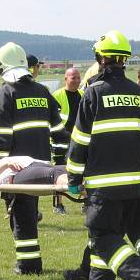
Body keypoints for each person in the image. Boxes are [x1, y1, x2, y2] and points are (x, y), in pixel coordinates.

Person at [66, 29, 140, 280]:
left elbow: (80, 141)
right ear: (124, 60)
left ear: (100, 58)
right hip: (134, 183)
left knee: (102, 238)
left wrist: (73, 177)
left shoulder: (94, 94)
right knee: (110, 232)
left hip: (103, 184)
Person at [0, 42, 64, 275]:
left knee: (21, 215)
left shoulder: (4, 94)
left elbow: (0, 138)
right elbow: (59, 132)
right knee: (28, 211)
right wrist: (60, 164)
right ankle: (31, 263)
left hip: (17, 168)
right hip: (43, 166)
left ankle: (28, 265)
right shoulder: (42, 91)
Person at [50, 67, 83, 213]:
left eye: (77, 78)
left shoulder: (83, 94)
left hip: (80, 140)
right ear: (66, 79)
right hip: (60, 141)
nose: (76, 80)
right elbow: (52, 120)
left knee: (84, 171)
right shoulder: (57, 96)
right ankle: (59, 205)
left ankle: (86, 202)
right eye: (72, 78)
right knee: (60, 172)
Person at [0, 155, 68, 188]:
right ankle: (77, 189)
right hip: (18, 174)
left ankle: (84, 190)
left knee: (67, 169)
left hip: (31, 163)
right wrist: (6, 164)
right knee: (54, 175)